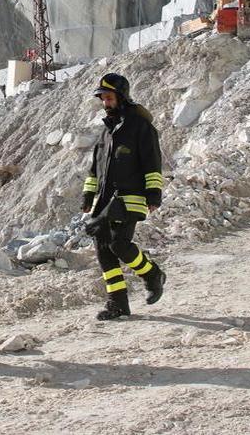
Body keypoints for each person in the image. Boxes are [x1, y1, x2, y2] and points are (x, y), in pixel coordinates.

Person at [81, 73, 167, 320]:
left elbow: (153, 163)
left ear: (121, 96)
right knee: (103, 249)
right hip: (106, 200)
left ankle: (152, 275)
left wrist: (154, 194)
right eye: (102, 99)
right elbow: (95, 168)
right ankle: (118, 304)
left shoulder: (140, 127)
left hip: (130, 197)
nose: (105, 103)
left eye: (108, 98)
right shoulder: (106, 133)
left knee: (119, 245)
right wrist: (89, 194)